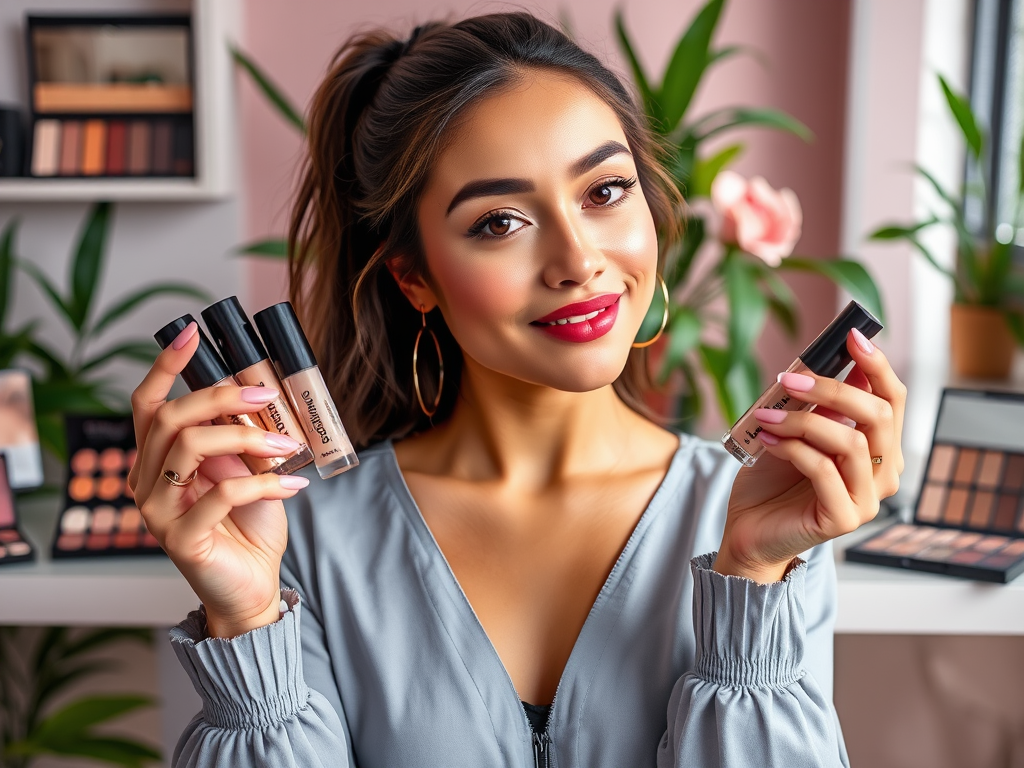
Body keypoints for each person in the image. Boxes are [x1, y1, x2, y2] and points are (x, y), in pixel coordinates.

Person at [128, 13, 905, 767]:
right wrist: (246, 618)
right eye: (499, 221)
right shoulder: (302, 535)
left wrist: (749, 583)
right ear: (415, 277)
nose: (577, 260)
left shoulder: (762, 511)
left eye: (604, 192)